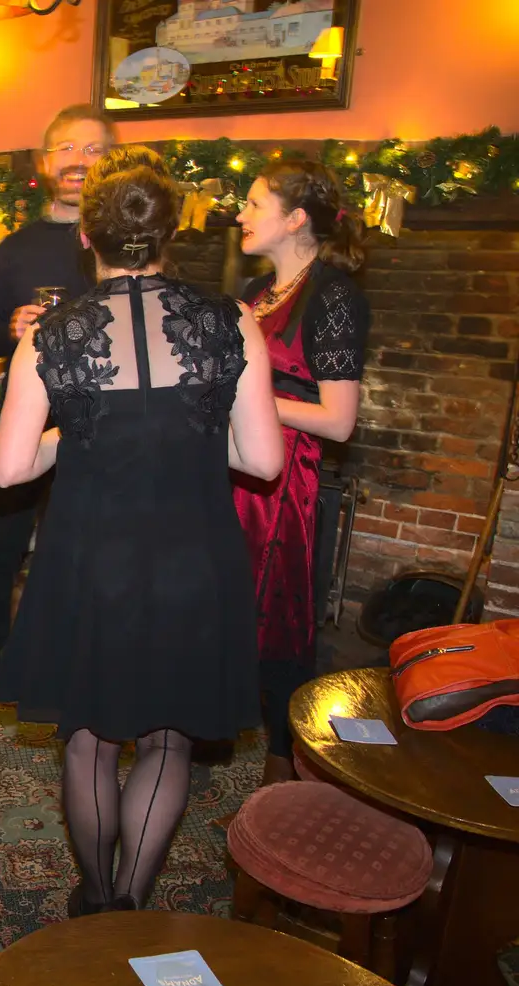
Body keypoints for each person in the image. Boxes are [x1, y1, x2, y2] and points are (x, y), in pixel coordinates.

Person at [0, 151, 284, 915]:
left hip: (91, 560)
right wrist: (180, 432)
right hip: (193, 559)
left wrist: (84, 435)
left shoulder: (51, 334)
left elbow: (12, 469)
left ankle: (94, 896)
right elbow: (262, 458)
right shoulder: (232, 322)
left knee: (88, 738)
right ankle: (132, 896)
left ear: (88, 236)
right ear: (173, 231)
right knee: (167, 738)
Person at [0, 104, 116, 687]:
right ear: (45, 161)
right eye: (66, 148)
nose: (78, 162)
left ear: (111, 161)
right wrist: (10, 326)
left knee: (84, 543)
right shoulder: (16, 246)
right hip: (24, 414)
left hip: (98, 418)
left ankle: (72, 655)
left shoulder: (123, 246)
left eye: (92, 150)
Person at [233, 160, 371, 785]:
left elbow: (339, 421)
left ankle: (282, 765)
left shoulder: (334, 295)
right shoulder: (256, 293)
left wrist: (247, 397)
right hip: (237, 466)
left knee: (279, 615)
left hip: (287, 481)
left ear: (294, 220)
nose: (240, 212)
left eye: (254, 203)